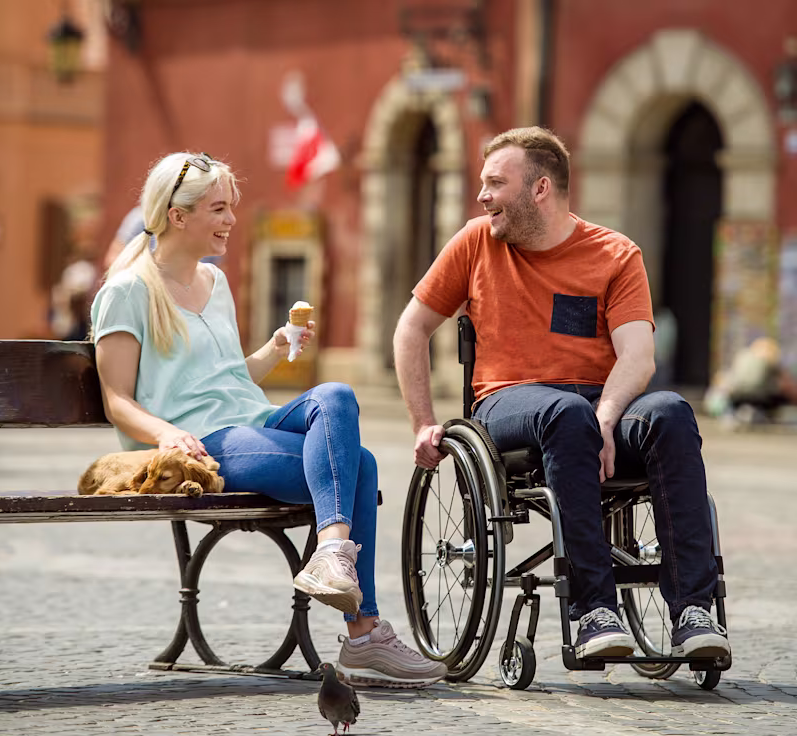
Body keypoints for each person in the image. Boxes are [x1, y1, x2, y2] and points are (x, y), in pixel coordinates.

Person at [90, 151, 446, 689]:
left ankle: (332, 553)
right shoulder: (127, 291)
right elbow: (116, 400)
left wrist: (274, 349)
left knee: (336, 395)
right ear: (178, 215)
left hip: (250, 424)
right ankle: (363, 632)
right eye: (218, 208)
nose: (231, 219)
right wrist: (168, 433)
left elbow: (230, 380)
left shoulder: (215, 283)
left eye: (230, 207)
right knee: (362, 466)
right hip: (201, 444)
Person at [393, 127, 730, 662]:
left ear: (541, 188)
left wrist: (607, 416)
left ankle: (693, 610)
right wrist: (422, 422)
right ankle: (594, 610)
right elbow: (411, 329)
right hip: (509, 405)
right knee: (565, 413)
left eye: (495, 183)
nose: (482, 196)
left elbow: (638, 356)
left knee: (670, 412)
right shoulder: (475, 242)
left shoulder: (615, 253)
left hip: (597, 405)